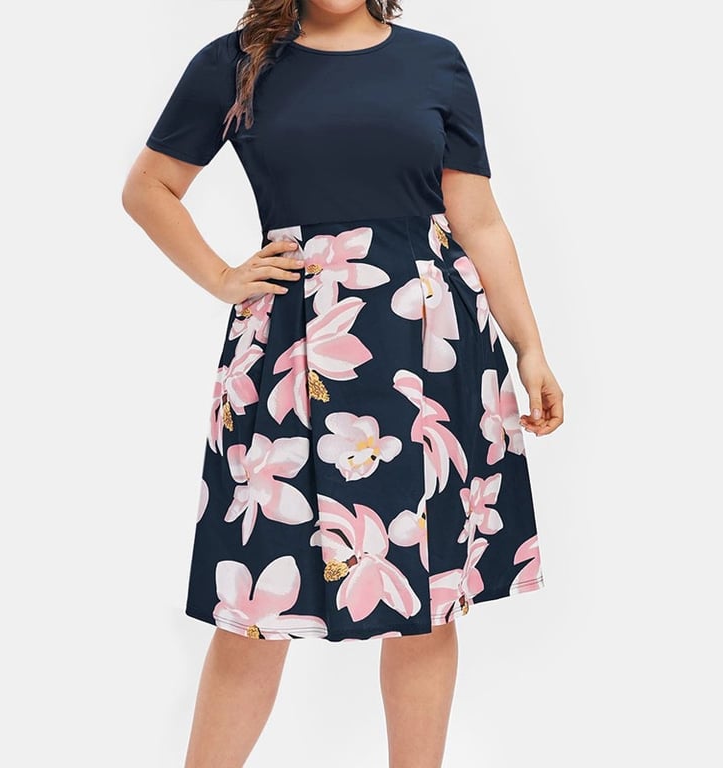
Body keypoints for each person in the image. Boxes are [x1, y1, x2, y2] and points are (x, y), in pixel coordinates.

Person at [122, 1, 564, 766]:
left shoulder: (435, 61)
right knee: (255, 602)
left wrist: (531, 349)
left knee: (425, 598)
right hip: (292, 356)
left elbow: (479, 220)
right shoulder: (236, 63)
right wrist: (222, 276)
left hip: (431, 353)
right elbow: (150, 187)